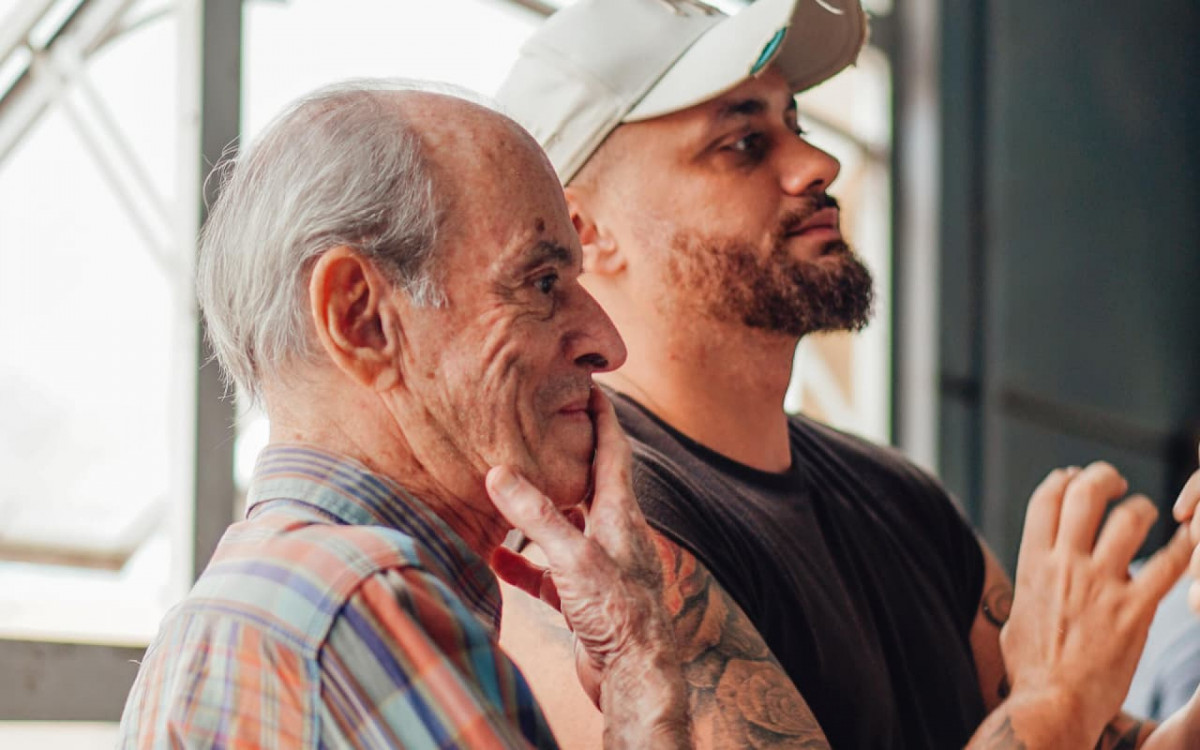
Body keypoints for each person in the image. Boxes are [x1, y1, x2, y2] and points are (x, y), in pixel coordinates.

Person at [495, 0, 1200, 747]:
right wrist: (1056, 696)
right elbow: (1055, 718)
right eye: (742, 143)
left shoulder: (898, 496)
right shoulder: (587, 544)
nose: (816, 164)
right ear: (585, 233)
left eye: (793, 125)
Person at [116, 79, 694, 748]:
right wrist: (641, 673)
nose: (607, 343)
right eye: (542, 284)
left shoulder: (247, 607)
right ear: (360, 318)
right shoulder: (360, 604)